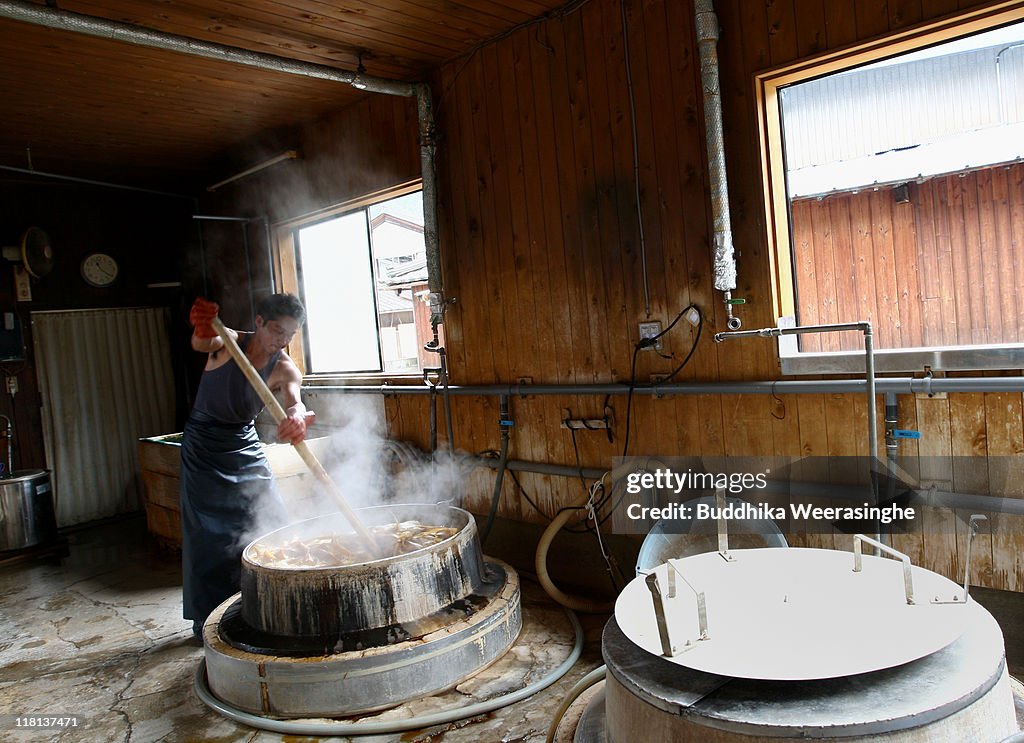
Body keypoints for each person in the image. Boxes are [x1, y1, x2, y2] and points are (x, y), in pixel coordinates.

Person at [181, 293, 315, 640]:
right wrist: (200, 324)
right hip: (204, 448)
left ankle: (268, 609)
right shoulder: (228, 342)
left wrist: (297, 418)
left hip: (243, 445)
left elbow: (295, 401)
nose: (280, 341)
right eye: (275, 330)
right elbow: (202, 341)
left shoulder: (284, 366)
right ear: (258, 322)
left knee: (272, 521)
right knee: (207, 536)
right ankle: (207, 624)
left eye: (289, 334)